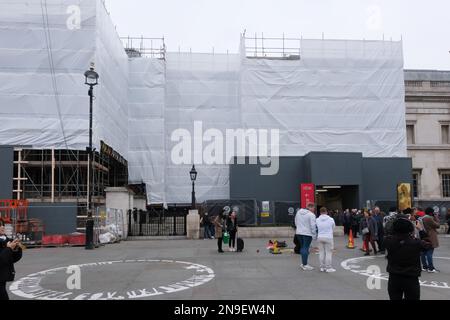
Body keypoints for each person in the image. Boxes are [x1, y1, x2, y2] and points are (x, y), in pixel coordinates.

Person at [384, 217, 431, 300]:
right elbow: (429, 244)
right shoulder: (416, 242)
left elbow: (389, 234)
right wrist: (420, 230)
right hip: (411, 278)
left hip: (394, 278)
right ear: (410, 229)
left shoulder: (388, 241)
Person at [0, 222, 23, 300]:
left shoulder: (6, 240)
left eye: (2, 225)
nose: (2, 227)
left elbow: (11, 259)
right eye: (0, 226)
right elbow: (2, 259)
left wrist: (16, 249)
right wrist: (9, 249)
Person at [295, 203, 317, 271]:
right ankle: (305, 264)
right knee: (305, 248)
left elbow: (295, 222)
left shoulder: (298, 212)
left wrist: (299, 228)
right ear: (311, 207)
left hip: (299, 232)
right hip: (307, 233)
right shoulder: (311, 215)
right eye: (314, 208)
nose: (314, 210)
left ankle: (303, 263)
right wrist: (314, 235)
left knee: (302, 247)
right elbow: (313, 226)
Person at [420, 207, 440, 273]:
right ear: (431, 212)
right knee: (429, 252)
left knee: (423, 252)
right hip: (430, 236)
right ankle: (431, 268)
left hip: (423, 236)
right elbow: (437, 225)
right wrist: (436, 217)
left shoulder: (422, 218)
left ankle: (424, 267)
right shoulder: (428, 218)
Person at [316, 207, 336, 272]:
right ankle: (328, 268)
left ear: (320, 212)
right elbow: (333, 227)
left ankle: (322, 267)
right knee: (328, 253)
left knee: (321, 252)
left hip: (320, 237)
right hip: (328, 237)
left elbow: (316, 227)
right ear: (326, 212)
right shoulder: (331, 219)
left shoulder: (317, 219)